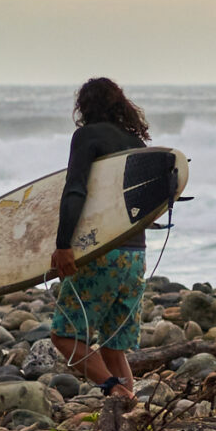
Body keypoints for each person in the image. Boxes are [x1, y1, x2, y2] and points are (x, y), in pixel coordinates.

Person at [47, 77, 151, 402]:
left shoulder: (87, 136)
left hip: (102, 252)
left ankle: (116, 391)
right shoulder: (137, 144)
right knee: (113, 347)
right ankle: (130, 417)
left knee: (65, 337)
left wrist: (63, 245)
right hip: (136, 255)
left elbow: (76, 189)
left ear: (84, 107)